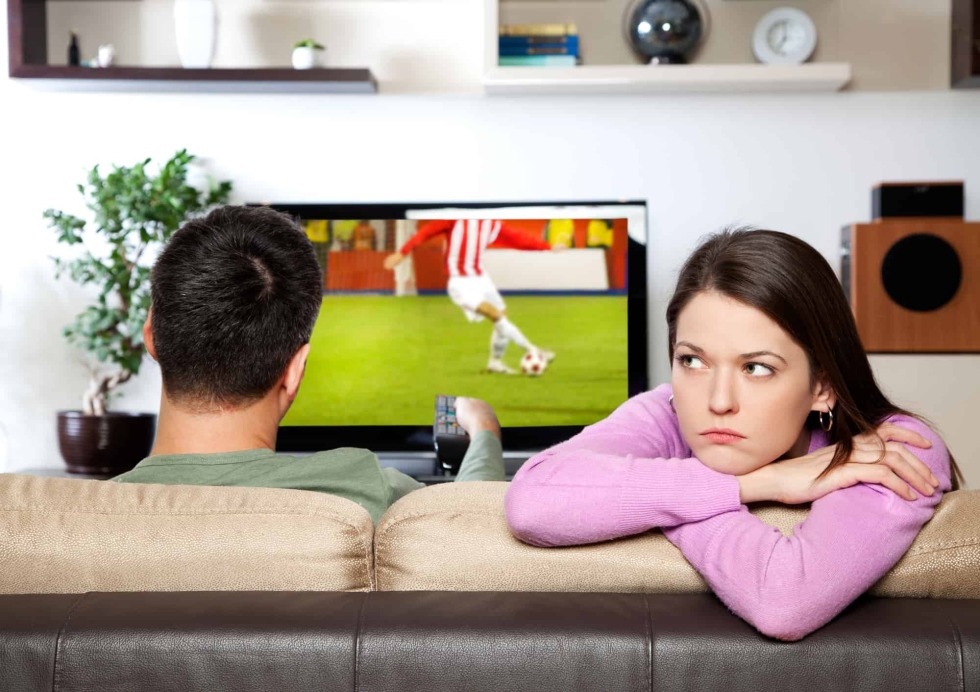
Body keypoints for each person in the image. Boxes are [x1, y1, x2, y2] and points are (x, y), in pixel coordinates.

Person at [504, 227, 962, 641]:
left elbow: (785, 600)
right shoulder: (668, 409)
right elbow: (533, 500)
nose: (718, 400)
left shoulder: (893, 451)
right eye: (693, 360)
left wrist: (659, 501)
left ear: (822, 386)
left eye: (757, 368)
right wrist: (757, 484)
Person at [113, 206, 505, 523]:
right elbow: (470, 527)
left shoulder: (72, 516)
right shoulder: (364, 495)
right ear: (295, 370)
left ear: (151, 334)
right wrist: (484, 432)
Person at [383, 219, 558, 375]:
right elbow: (426, 232)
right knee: (495, 314)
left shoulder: (491, 223)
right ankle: (533, 350)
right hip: (460, 282)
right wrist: (402, 253)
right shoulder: (455, 219)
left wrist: (547, 247)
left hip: (481, 278)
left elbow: (519, 239)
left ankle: (495, 363)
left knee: (502, 317)